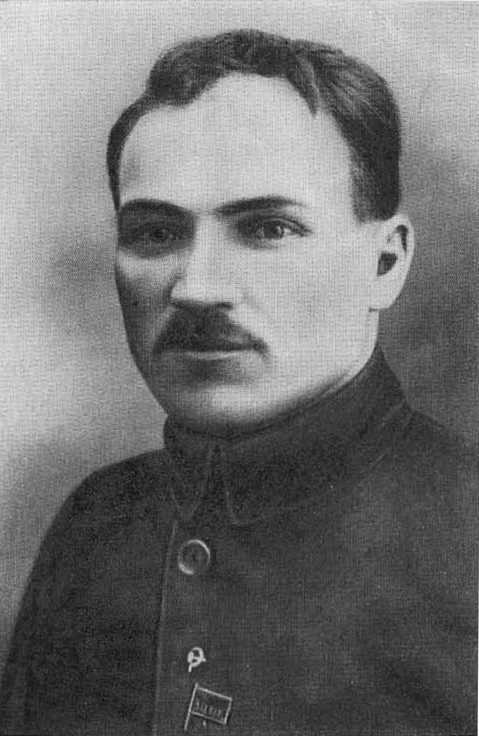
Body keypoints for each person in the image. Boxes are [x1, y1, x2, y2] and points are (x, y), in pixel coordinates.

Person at [1, 28, 476, 736]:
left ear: (384, 264)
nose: (196, 287)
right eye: (155, 233)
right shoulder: (97, 526)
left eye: (267, 229)